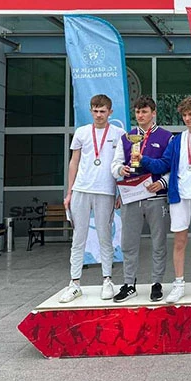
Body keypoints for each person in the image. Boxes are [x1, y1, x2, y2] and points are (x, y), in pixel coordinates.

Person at [133, 97, 191, 303]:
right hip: (179, 196)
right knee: (179, 242)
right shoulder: (177, 140)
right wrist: (143, 159)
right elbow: (163, 165)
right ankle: (178, 284)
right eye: (184, 115)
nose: (187, 118)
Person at [60, 94, 126, 303]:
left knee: (105, 236)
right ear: (91, 111)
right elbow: (74, 162)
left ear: (110, 112)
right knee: (79, 237)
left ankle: (107, 280)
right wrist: (69, 192)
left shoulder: (119, 133)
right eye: (95, 111)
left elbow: (121, 164)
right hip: (81, 189)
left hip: (106, 191)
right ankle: (74, 283)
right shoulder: (81, 132)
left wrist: (120, 192)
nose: (99, 115)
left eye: (102, 111)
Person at [110, 96, 173, 303]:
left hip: (156, 195)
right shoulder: (126, 137)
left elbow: (173, 167)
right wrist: (121, 169)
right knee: (128, 242)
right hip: (131, 194)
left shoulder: (166, 137)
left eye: (144, 111)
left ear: (153, 113)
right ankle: (129, 284)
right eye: (137, 112)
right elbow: (115, 164)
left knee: (159, 242)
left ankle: (157, 283)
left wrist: (162, 183)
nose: (140, 115)